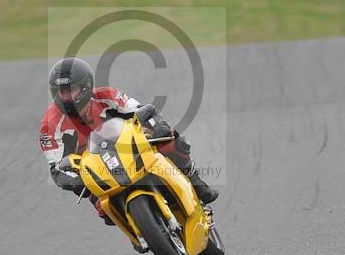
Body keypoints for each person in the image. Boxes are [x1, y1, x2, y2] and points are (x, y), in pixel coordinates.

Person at [39, 57, 218, 225]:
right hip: (94, 170)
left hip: (129, 147)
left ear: (85, 86)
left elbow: (141, 109)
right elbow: (56, 168)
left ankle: (196, 183)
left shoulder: (107, 96)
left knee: (173, 140)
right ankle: (140, 229)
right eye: (62, 92)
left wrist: (157, 125)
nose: (66, 97)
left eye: (71, 91)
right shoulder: (50, 124)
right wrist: (75, 181)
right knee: (105, 212)